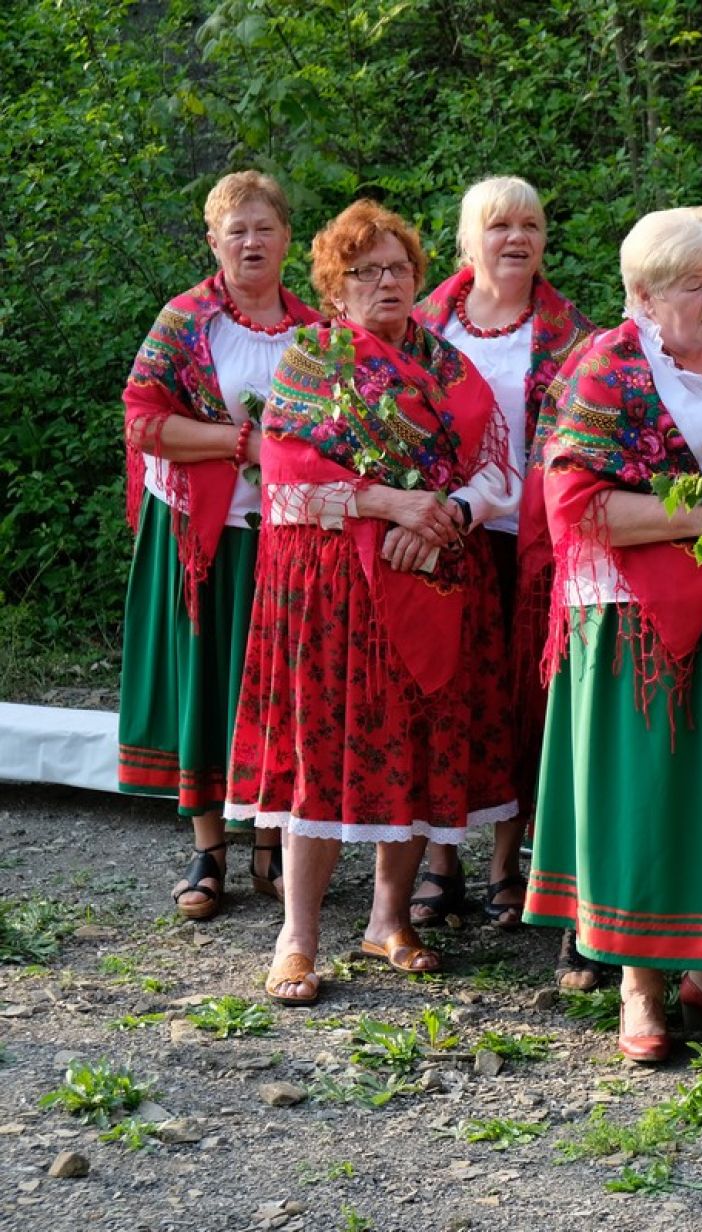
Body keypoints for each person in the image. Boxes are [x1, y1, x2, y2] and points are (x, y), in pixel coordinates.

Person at [522, 206, 702, 1063]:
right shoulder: (609, 369)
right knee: (649, 791)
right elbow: (574, 506)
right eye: (697, 285)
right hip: (636, 615)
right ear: (643, 294)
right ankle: (639, 986)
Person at [225, 200, 519, 1005]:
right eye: (364, 271)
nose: (385, 282)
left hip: (436, 572)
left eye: (398, 269)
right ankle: (298, 935)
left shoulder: (452, 369)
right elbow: (284, 480)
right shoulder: (309, 363)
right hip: (333, 591)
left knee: (415, 743)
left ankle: (389, 919)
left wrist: (449, 514)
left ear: (419, 279)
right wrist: (391, 504)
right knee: (325, 751)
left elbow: (499, 470)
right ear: (333, 287)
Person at [119, 171, 320, 922]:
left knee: (275, 690)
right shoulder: (186, 321)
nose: (251, 242)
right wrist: (242, 442)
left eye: (264, 228)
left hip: (289, 540)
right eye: (236, 230)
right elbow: (143, 418)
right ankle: (210, 850)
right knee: (209, 685)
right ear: (213, 242)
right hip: (201, 534)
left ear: (287, 239)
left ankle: (271, 842)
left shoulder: (315, 329)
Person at [409, 176, 593, 945]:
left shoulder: (574, 334)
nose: (516, 238)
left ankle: (506, 860)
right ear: (466, 240)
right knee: (441, 694)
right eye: (498, 225)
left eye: (531, 225)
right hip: (439, 532)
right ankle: (437, 856)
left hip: (532, 541)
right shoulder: (420, 325)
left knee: (521, 700)